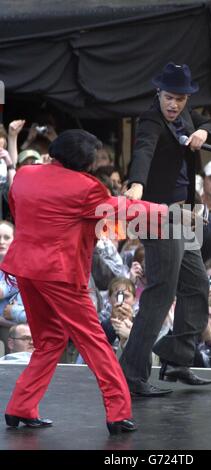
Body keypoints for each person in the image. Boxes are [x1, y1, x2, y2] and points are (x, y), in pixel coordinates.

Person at [1, 129, 167, 433]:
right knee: (95, 343)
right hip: (59, 273)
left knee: (49, 341)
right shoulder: (85, 188)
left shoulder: (25, 174)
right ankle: (118, 412)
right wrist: (171, 214)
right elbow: (125, 212)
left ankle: (20, 406)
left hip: (25, 269)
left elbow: (19, 210)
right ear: (86, 164)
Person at [119, 62, 211, 396]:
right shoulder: (151, 120)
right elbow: (144, 151)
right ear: (158, 93)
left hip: (183, 215)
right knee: (161, 291)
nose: (174, 104)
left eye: (180, 99)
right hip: (155, 213)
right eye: (169, 97)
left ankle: (177, 360)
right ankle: (132, 374)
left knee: (196, 286)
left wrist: (203, 133)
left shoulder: (185, 114)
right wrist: (136, 184)